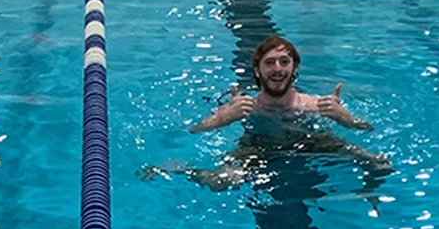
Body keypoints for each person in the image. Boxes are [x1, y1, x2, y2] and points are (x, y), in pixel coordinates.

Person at [142, 35, 391, 192]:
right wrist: (223, 119)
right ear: (257, 71)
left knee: (381, 164)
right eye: (269, 63)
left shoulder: (315, 105)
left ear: (294, 68)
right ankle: (182, 169)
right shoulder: (244, 107)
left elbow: (368, 129)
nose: (277, 68)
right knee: (221, 182)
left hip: (312, 142)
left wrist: (346, 119)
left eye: (284, 61)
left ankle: (367, 194)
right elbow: (194, 130)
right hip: (258, 145)